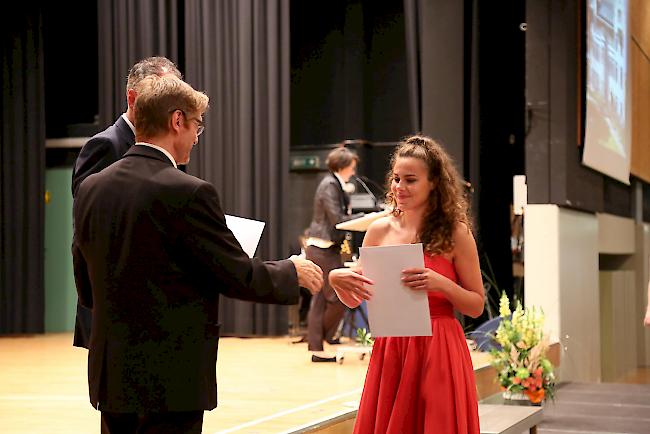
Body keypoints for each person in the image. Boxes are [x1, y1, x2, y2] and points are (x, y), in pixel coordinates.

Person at [72, 74, 323, 434]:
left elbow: (85, 282)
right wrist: (291, 271)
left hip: (112, 374)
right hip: (171, 374)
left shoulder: (92, 188)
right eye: (196, 126)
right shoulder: (190, 192)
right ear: (177, 121)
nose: (195, 137)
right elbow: (235, 274)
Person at [329, 135, 484, 433]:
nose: (400, 187)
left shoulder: (456, 233)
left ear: (434, 182)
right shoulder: (378, 231)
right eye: (397, 179)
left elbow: (476, 305)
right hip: (392, 348)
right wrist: (337, 280)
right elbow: (355, 299)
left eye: (410, 180)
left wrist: (442, 284)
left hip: (439, 346)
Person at [71, 56, 182, 349]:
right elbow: (87, 225)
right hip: (114, 298)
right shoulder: (106, 145)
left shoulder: (167, 146)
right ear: (132, 98)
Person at [303, 146, 364, 362]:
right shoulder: (330, 184)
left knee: (320, 299)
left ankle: (317, 347)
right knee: (337, 295)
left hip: (325, 248)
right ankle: (323, 339)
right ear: (344, 165)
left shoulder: (335, 184)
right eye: (352, 167)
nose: (354, 171)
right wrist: (366, 219)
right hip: (321, 248)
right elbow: (337, 220)